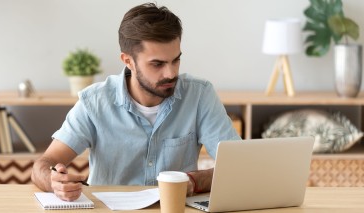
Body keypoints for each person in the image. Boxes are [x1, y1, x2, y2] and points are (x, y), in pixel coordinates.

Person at [31, 2, 241, 201]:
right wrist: (53, 181)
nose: (171, 73)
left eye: (175, 60)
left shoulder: (199, 95)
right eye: (157, 64)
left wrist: (193, 181)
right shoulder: (94, 102)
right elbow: (43, 165)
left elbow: (238, 166)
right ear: (128, 61)